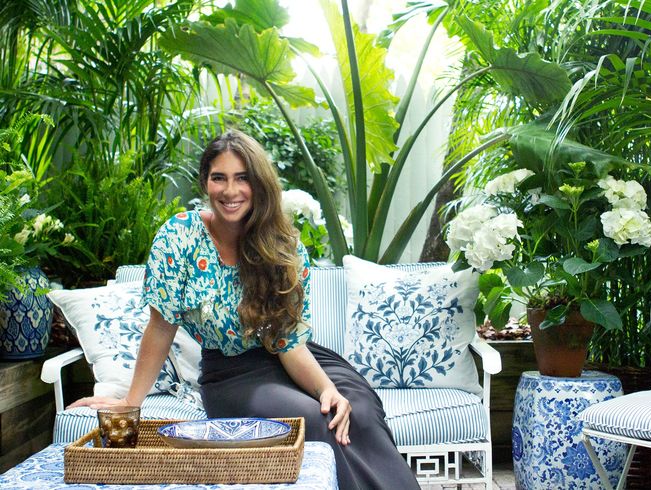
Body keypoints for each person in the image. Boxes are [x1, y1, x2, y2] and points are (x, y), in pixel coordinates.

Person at [69, 129, 420, 490]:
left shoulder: (284, 246)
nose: (230, 191)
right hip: (231, 375)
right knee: (317, 420)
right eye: (219, 178)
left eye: (242, 178)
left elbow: (289, 343)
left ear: (259, 184)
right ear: (205, 182)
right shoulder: (179, 237)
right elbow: (161, 328)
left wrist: (326, 387)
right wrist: (130, 402)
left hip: (295, 357)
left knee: (355, 408)